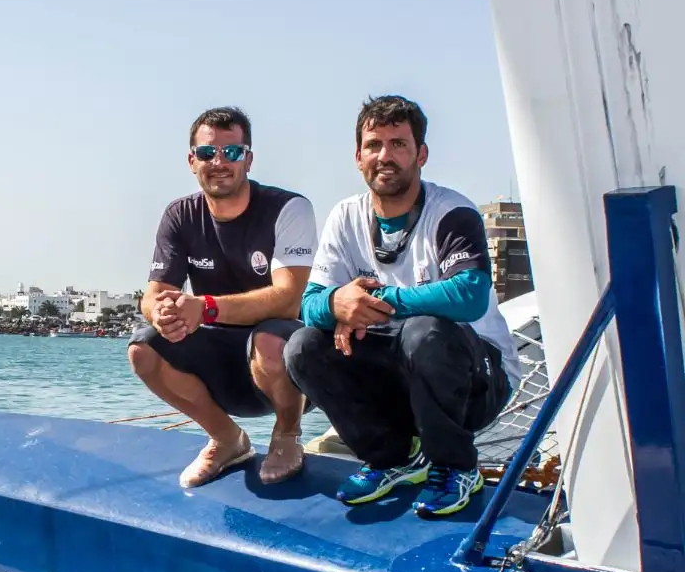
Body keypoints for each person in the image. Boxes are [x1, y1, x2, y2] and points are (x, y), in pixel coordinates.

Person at [285, 95, 520, 516]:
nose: (385, 156)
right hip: (402, 382)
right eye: (374, 145)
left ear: (421, 154)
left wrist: (379, 302)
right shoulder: (345, 217)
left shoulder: (452, 211)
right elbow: (309, 305)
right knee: (302, 347)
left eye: (398, 144)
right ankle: (393, 458)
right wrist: (340, 303)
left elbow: (469, 294)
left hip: (478, 382)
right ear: (358, 157)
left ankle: (456, 466)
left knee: (424, 331)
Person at [128, 106, 318, 488]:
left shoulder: (289, 208)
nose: (219, 162)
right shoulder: (179, 215)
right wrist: (160, 311)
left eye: (231, 153)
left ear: (247, 159)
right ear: (190, 160)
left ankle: (287, 436)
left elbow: (288, 299)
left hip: (286, 367)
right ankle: (227, 439)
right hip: (220, 363)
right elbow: (153, 294)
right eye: (206, 153)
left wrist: (207, 307)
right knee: (142, 350)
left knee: (269, 338)